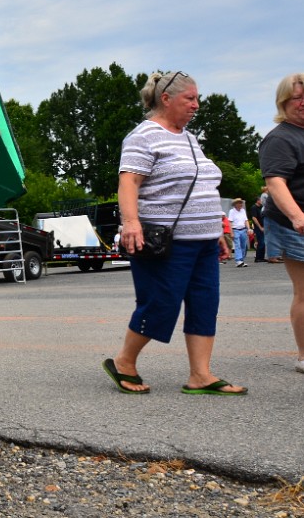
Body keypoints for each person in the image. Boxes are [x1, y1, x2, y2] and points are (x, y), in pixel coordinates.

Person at [103, 71, 244, 395]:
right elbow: (129, 182)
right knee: (160, 304)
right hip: (166, 241)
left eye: (197, 99)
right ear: (166, 99)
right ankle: (124, 361)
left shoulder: (189, 138)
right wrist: (132, 223)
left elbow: (200, 187)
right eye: (189, 99)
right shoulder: (144, 136)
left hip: (204, 241)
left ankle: (200, 375)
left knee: (205, 303)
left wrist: (216, 232)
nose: (196, 105)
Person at [258, 72, 304, 373]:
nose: (302, 103)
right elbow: (275, 183)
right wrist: (298, 217)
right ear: (283, 103)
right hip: (292, 222)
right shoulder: (279, 139)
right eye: (297, 98)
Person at [227, 198, 251, 267]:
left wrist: (248, 228)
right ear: (235, 204)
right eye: (239, 203)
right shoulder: (232, 211)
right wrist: (231, 232)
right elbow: (230, 222)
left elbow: (246, 220)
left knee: (243, 245)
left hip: (243, 229)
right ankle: (238, 260)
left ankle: (241, 260)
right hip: (235, 230)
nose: (241, 204)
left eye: (241, 203)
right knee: (238, 245)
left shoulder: (243, 211)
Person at [251, 195, 267, 263]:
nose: (262, 201)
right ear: (257, 201)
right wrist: (260, 227)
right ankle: (258, 257)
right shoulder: (254, 208)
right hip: (258, 227)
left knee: (263, 242)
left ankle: (261, 257)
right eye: (261, 200)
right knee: (261, 242)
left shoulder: (261, 207)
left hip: (263, 226)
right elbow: (254, 218)